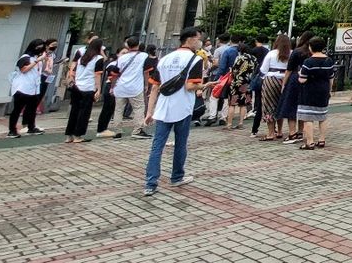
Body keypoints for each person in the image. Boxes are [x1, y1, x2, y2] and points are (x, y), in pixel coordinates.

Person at [142, 27, 210, 195]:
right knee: (180, 143)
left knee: (157, 146)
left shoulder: (165, 59)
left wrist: (149, 112)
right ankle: (177, 176)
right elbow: (190, 86)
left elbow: (155, 88)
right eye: (198, 38)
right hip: (183, 108)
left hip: (163, 108)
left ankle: (150, 183)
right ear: (190, 39)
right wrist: (205, 85)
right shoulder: (195, 60)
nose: (200, 42)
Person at [101, 37, 149, 139]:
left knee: (118, 110)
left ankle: (117, 131)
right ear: (138, 44)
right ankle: (137, 130)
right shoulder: (144, 56)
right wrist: (146, 84)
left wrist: (112, 87)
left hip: (121, 87)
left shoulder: (122, 58)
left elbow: (115, 74)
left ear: (127, 46)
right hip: (135, 87)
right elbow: (146, 71)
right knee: (139, 108)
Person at [297, 36, 335, 150]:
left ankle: (310, 142)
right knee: (322, 117)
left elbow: (302, 79)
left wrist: (299, 75)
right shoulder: (329, 61)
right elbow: (331, 78)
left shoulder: (308, 62)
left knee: (308, 117)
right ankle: (322, 140)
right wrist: (329, 90)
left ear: (311, 47)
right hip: (323, 90)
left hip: (309, 91)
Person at [65, 38, 104, 144]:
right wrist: (98, 89)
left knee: (74, 111)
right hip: (88, 88)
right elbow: (97, 75)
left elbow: (73, 69)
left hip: (77, 86)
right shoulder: (98, 58)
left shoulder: (82, 55)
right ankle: (78, 135)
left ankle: (69, 135)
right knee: (84, 113)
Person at [278, 31, 313, 144]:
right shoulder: (313, 53)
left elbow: (289, 69)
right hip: (308, 80)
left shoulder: (297, 51)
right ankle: (300, 131)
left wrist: (284, 83)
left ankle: (292, 133)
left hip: (294, 79)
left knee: (291, 105)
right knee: (302, 106)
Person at [8, 39, 47, 138]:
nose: (40, 49)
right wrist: (37, 61)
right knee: (17, 109)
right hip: (22, 88)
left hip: (33, 89)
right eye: (38, 47)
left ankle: (31, 127)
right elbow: (24, 69)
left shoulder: (36, 58)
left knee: (32, 109)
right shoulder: (25, 57)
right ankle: (12, 130)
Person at [259, 34, 291, 140]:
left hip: (271, 80)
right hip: (285, 80)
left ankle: (271, 133)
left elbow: (263, 69)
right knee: (280, 105)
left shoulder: (271, 54)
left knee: (269, 106)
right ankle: (280, 131)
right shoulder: (290, 54)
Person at [224, 42, 258, 130]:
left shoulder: (240, 58)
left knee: (232, 103)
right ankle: (241, 123)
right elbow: (256, 70)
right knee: (243, 104)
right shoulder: (254, 59)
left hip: (237, 82)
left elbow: (234, 70)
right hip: (248, 82)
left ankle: (229, 124)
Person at [248, 35, 270, 136]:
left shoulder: (253, 50)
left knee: (257, 96)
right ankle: (273, 129)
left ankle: (254, 129)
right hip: (267, 77)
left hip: (258, 75)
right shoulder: (267, 51)